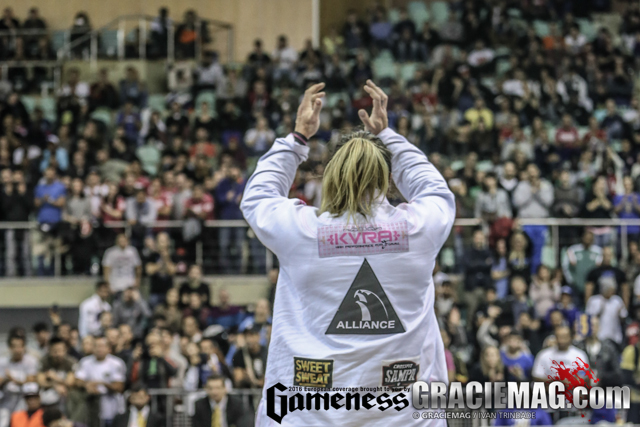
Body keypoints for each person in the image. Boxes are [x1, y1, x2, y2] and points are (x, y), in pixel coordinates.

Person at [241, 81, 455, 425]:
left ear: (331, 177)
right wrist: (389, 137)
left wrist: (297, 138)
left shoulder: (303, 231)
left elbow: (258, 196)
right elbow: (435, 188)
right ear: (386, 177)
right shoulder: (417, 229)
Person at [74, 336, 126, 427]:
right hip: (91, 405)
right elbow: (77, 381)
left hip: (111, 405)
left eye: (102, 346)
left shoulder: (116, 363)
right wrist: (87, 385)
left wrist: (100, 383)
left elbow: (119, 387)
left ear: (108, 348)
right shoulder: (85, 362)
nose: (99, 349)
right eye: (96, 346)